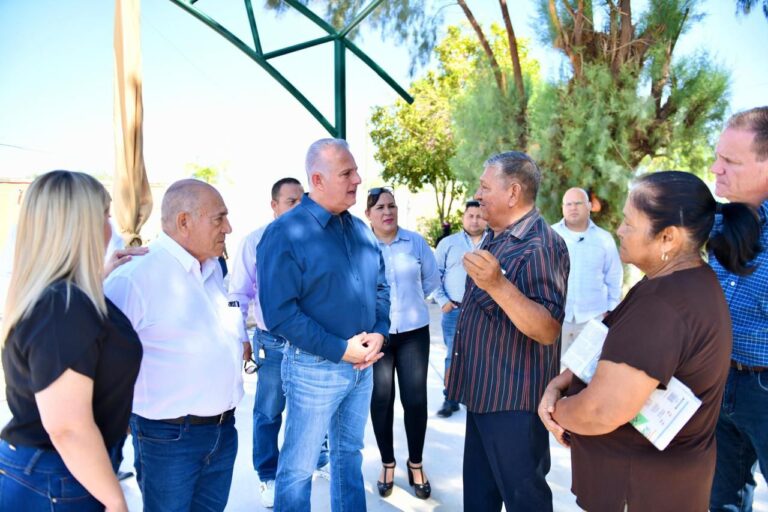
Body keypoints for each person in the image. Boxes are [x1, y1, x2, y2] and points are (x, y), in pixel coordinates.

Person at [539, 171, 761, 512]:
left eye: (629, 223)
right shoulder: (684, 280)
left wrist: (556, 410)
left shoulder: (664, 304)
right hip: (662, 482)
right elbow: (606, 336)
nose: (620, 230)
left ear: (668, 238)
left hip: (642, 488)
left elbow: (602, 410)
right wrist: (563, 380)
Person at [258, 138, 390, 512]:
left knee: (349, 456)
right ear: (317, 179)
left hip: (363, 366)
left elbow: (380, 287)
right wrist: (340, 349)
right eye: (347, 173)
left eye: (355, 170)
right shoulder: (284, 233)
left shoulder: (361, 230)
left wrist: (379, 332)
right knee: (299, 467)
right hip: (314, 368)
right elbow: (280, 313)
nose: (358, 179)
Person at [0, 170, 144, 511]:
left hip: (56, 470)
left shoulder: (62, 298)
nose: (111, 227)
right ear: (81, 225)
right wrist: (116, 502)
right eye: (105, 215)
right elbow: (68, 427)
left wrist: (99, 274)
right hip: (58, 474)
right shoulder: (63, 307)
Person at [104, 179, 249, 512]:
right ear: (184, 221)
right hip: (168, 440)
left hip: (223, 431)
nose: (228, 227)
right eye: (219, 218)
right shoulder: (135, 276)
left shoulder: (213, 268)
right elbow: (100, 357)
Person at [446, 151, 569, 511]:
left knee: (525, 501)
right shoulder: (496, 236)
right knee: (479, 500)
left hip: (514, 403)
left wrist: (498, 285)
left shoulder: (543, 245)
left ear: (513, 192)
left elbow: (547, 329)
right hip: (484, 394)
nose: (478, 195)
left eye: (485, 187)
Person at [228, 177, 329, 508]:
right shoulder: (254, 241)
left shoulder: (319, 240)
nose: (299, 207)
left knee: (313, 406)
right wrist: (241, 338)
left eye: (303, 200)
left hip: (312, 340)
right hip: (271, 342)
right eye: (290, 201)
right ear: (274, 206)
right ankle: (267, 475)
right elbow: (238, 294)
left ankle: (315, 459)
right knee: (269, 410)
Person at [709, 106, 768, 512]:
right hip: (718, 383)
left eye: (730, 161)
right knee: (719, 501)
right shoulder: (718, 221)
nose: (716, 169)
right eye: (717, 156)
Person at [365, 187, 441, 499]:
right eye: (380, 207)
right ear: (368, 214)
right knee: (381, 399)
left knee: (415, 401)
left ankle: (416, 463)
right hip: (376, 335)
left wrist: (409, 304)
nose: (388, 211)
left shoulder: (415, 243)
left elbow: (432, 280)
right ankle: (387, 463)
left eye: (392, 206)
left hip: (413, 332)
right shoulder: (360, 246)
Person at [552, 187, 622, 355]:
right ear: (562, 207)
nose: (573, 207)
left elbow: (614, 276)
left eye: (578, 203)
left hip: (593, 318)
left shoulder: (604, 239)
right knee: (551, 372)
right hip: (556, 317)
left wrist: (610, 312)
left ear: (589, 206)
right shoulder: (550, 235)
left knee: (585, 376)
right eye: (568, 204)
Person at [433, 200, 486, 418]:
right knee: (453, 355)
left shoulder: (495, 242)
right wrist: (443, 301)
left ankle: (477, 398)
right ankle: (451, 398)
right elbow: (434, 274)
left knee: (482, 355)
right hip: (455, 309)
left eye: (479, 215)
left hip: (485, 312)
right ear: (463, 218)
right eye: (470, 215)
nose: (474, 220)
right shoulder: (448, 243)